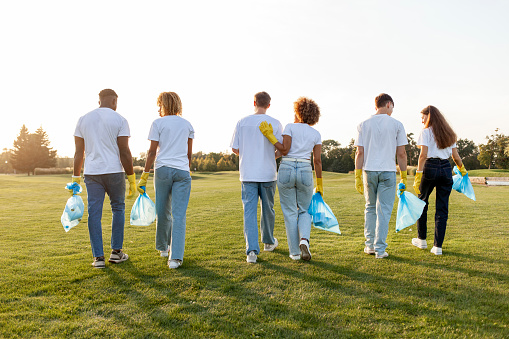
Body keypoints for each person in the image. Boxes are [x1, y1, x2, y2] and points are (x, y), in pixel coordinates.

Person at [72, 89, 136, 268]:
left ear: (99, 101)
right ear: (115, 101)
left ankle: (98, 258)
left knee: (94, 213)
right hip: (114, 171)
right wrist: (131, 178)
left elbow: (79, 153)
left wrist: (75, 178)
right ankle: (116, 253)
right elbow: (124, 151)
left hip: (92, 173)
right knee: (118, 209)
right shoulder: (121, 120)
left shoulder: (83, 119)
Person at [259, 97, 322, 261]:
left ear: (298, 112)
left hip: (286, 169)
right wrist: (320, 184)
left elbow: (284, 150)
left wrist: (270, 136)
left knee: (289, 212)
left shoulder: (289, 127)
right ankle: (304, 240)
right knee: (305, 210)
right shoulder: (316, 134)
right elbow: (317, 161)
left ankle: (294, 253)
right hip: (305, 170)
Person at [137, 92, 194, 269]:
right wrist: (185, 168)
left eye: (159, 104)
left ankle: (163, 248)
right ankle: (175, 258)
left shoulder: (157, 123)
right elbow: (189, 154)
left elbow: (152, 152)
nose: (158, 108)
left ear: (164, 105)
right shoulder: (187, 125)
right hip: (182, 172)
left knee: (162, 211)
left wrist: (145, 175)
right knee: (179, 215)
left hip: (162, 170)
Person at [230, 91, 282, 263]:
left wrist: (248, 153)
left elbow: (235, 148)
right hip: (267, 173)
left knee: (249, 211)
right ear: (269, 105)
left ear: (254, 102)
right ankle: (268, 242)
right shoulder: (275, 123)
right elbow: (280, 148)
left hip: (248, 174)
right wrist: (268, 155)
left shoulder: (242, 122)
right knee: (268, 209)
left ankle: (251, 251)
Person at [354, 93, 408, 259]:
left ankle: (369, 245)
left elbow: (359, 152)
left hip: (368, 171)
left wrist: (357, 174)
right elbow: (401, 154)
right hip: (388, 171)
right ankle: (380, 249)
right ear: (389, 104)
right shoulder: (397, 124)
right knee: (383, 210)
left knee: (370, 208)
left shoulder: (363, 124)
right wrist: (404, 176)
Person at [411, 105, 467, 255]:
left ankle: (421, 240)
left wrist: (418, 174)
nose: (422, 121)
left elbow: (423, 155)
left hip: (429, 167)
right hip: (445, 168)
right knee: (442, 209)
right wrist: (462, 170)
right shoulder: (449, 133)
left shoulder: (426, 132)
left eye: (423, 117)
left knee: (421, 203)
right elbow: (455, 157)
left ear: (429, 117)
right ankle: (437, 247)